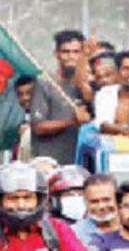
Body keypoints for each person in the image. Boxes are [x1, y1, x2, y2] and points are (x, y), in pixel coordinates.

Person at [32, 30, 94, 167]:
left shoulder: (91, 85)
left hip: (83, 163)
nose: (71, 57)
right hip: (50, 164)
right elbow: (38, 127)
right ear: (57, 54)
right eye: (66, 52)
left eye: (76, 52)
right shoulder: (45, 83)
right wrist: (72, 121)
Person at [71, 173, 121, 248]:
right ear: (85, 203)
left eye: (106, 200)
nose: (101, 206)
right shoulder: (74, 234)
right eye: (94, 201)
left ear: (118, 200)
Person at [13, 75, 38, 162]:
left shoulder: (49, 121)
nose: (25, 98)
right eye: (20, 94)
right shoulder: (20, 125)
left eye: (29, 93)